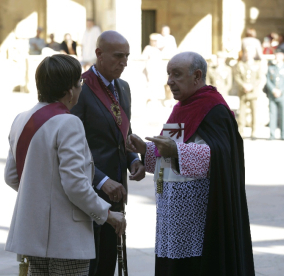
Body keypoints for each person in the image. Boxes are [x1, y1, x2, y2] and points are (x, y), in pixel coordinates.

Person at [127, 51, 255, 276]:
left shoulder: (214, 109)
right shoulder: (181, 107)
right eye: (168, 74)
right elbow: (168, 154)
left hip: (200, 216)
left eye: (176, 74)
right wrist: (145, 150)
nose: (169, 81)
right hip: (171, 212)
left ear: (197, 76)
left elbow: (220, 156)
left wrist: (177, 150)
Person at [4, 54, 126, 275]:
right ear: (70, 90)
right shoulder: (69, 122)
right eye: (79, 83)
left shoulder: (20, 119)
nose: (81, 89)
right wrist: (108, 214)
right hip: (66, 238)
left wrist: (44, 202)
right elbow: (76, 185)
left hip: (32, 233)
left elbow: (12, 177)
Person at [70, 31, 145, 276]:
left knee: (109, 259)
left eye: (127, 57)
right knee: (90, 260)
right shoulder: (79, 88)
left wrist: (134, 159)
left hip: (117, 188)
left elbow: (124, 130)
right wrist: (100, 179)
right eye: (118, 56)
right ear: (99, 54)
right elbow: (74, 146)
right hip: (90, 187)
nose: (123, 62)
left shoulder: (123, 87)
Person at [235, 47, 264, 139]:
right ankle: (241, 131)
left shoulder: (257, 65)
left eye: (250, 53)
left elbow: (259, 78)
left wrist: (251, 86)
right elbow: (237, 77)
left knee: (254, 112)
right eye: (246, 53)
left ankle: (254, 131)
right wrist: (243, 85)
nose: (248, 55)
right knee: (242, 112)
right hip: (243, 91)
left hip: (253, 92)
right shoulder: (240, 65)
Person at [266, 48, 284, 140]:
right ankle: (272, 134)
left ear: (283, 56)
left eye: (279, 54)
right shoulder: (271, 67)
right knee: (272, 114)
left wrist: (280, 90)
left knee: (283, 114)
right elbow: (268, 80)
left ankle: (283, 134)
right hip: (272, 94)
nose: (277, 56)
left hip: (282, 94)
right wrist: (273, 90)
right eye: (276, 54)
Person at [142, 33, 166, 103]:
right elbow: (144, 58)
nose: (154, 42)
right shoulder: (148, 48)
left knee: (158, 88)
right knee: (150, 88)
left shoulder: (159, 50)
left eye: (156, 40)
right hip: (150, 71)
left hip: (158, 71)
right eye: (153, 40)